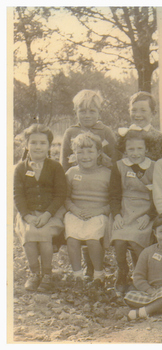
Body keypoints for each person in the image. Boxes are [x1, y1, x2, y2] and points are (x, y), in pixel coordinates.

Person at [14, 124, 67, 292]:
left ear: (49, 146)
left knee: (43, 234)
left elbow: (60, 195)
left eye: (42, 143)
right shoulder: (20, 169)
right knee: (29, 234)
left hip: (51, 213)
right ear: (26, 145)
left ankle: (47, 275)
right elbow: (18, 196)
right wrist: (26, 216)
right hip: (28, 214)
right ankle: (34, 273)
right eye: (34, 142)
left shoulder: (55, 167)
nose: (38, 147)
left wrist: (47, 214)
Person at [110, 130, 157, 295]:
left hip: (147, 209)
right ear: (125, 150)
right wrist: (116, 215)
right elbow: (114, 194)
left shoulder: (153, 166)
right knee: (120, 240)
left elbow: (158, 195)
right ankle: (122, 272)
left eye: (139, 149)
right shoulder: (119, 166)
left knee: (137, 241)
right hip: (125, 208)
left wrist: (149, 215)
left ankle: (140, 275)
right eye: (131, 149)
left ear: (146, 149)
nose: (135, 153)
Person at [64, 133, 111, 287]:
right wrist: (74, 209)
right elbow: (65, 197)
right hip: (76, 212)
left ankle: (98, 274)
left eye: (90, 152)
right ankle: (77, 275)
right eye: (80, 152)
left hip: (98, 214)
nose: (85, 156)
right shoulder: (71, 173)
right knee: (72, 239)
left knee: (92, 239)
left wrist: (100, 211)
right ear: (74, 154)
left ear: (98, 153)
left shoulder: (107, 173)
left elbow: (114, 200)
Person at [60, 89, 117, 171]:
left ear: (99, 112)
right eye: (82, 111)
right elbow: (64, 163)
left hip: (102, 179)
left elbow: (115, 159)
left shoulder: (106, 132)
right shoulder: (70, 133)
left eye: (92, 111)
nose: (87, 115)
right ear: (75, 112)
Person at [117, 91, 162, 161]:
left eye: (143, 110)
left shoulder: (160, 138)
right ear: (129, 111)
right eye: (133, 110)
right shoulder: (124, 135)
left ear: (153, 113)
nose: (137, 115)